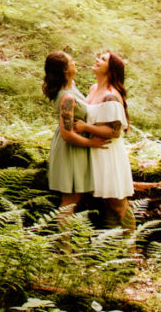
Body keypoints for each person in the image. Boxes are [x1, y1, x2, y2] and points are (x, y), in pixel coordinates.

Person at [42, 51, 110, 216]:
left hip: (77, 148)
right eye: (71, 61)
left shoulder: (70, 86)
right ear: (65, 70)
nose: (75, 63)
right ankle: (62, 241)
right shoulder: (67, 98)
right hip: (70, 149)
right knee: (70, 200)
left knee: (75, 198)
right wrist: (91, 143)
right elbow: (67, 134)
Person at [76, 51, 135, 231]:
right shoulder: (94, 88)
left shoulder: (111, 95)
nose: (97, 60)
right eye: (98, 57)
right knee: (104, 203)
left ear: (111, 69)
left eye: (103, 59)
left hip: (108, 153)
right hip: (94, 151)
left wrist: (86, 128)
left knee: (118, 203)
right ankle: (112, 248)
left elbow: (114, 131)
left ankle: (132, 249)